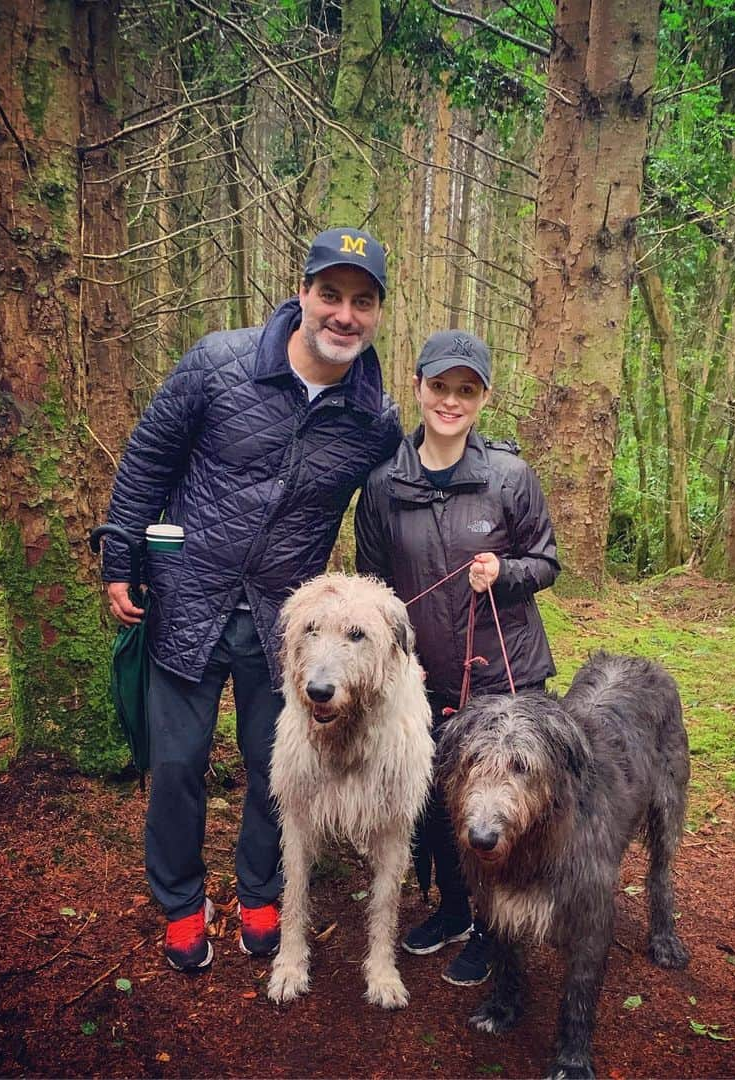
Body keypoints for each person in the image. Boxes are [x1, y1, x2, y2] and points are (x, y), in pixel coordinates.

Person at [101, 228, 402, 973]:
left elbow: (405, 495)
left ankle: (262, 891)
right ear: (302, 294)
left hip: (289, 630)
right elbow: (147, 457)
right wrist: (121, 558)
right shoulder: (218, 363)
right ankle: (180, 903)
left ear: (378, 314)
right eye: (330, 295)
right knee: (176, 764)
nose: (343, 314)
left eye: (361, 301)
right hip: (185, 598)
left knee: (279, 769)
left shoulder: (374, 419)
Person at [354, 329, 560, 987]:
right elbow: (373, 590)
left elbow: (546, 562)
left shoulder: (510, 477)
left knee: (497, 808)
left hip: (507, 678)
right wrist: (394, 660)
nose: (450, 400)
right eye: (439, 386)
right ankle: (454, 910)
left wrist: (504, 571)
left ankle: (499, 933)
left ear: (482, 398)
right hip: (424, 679)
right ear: (418, 387)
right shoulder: (384, 485)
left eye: (465, 390)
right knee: (440, 804)